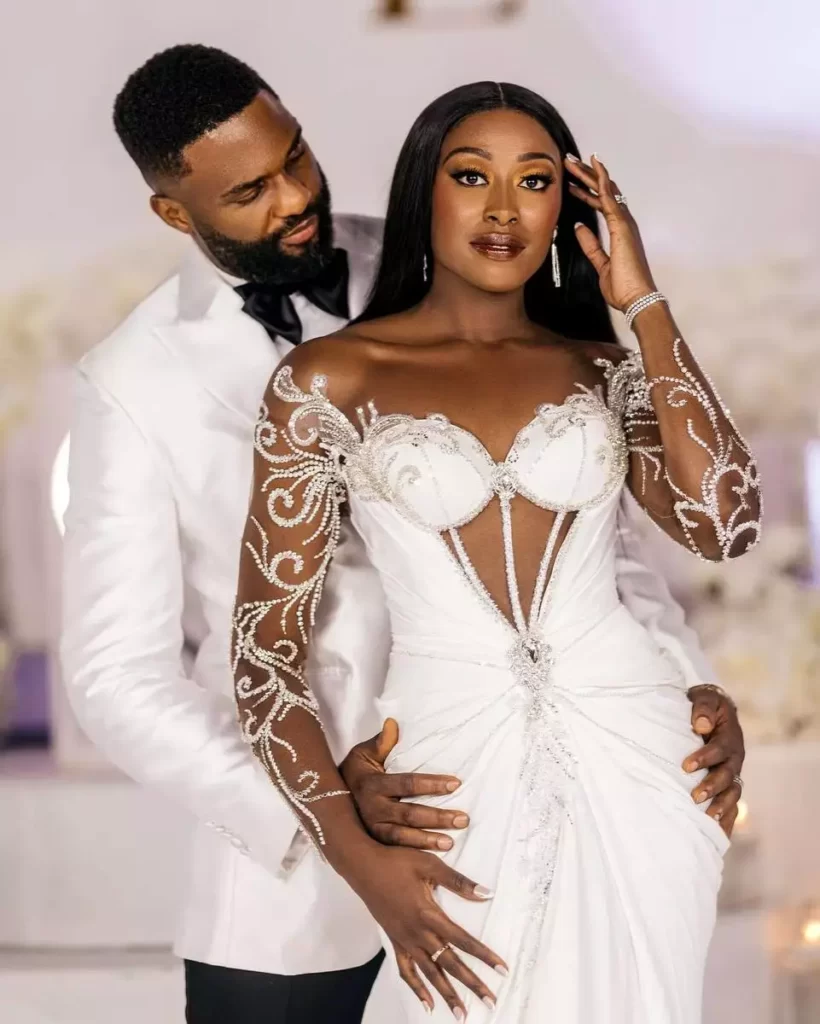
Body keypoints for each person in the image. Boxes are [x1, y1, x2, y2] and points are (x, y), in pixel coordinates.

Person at [59, 44, 743, 1024]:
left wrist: (682, 687)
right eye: (250, 191)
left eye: (296, 155)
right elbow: (117, 677)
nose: (296, 196)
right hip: (294, 886)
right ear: (176, 213)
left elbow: (602, 531)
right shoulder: (131, 380)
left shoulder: (458, 251)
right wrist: (327, 816)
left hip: (564, 792)